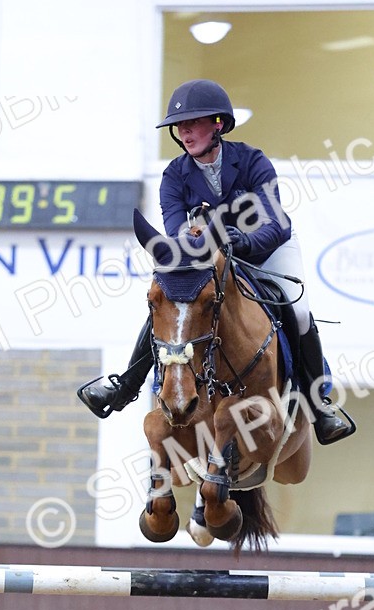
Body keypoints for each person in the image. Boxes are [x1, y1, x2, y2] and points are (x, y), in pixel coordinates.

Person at [77, 79, 352, 445]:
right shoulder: (174, 175)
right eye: (181, 126)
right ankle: (125, 388)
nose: (185, 132)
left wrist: (244, 241)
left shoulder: (253, 161)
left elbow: (275, 223)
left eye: (194, 123)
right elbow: (178, 232)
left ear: (218, 124)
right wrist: (196, 244)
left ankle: (320, 405)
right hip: (211, 253)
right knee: (170, 304)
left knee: (298, 310)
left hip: (267, 248)